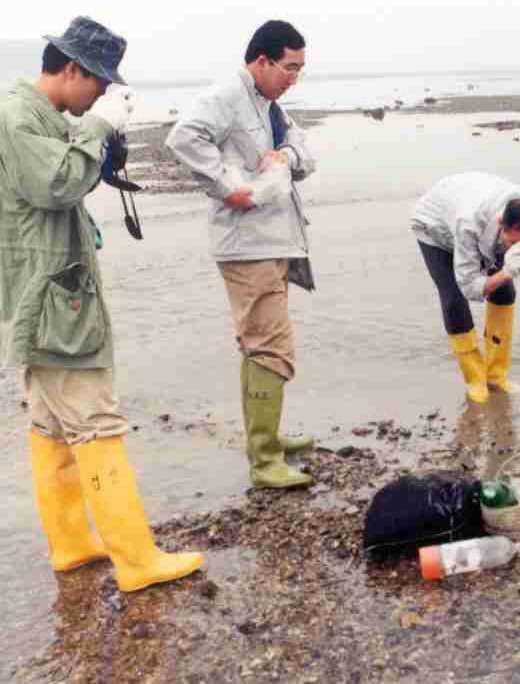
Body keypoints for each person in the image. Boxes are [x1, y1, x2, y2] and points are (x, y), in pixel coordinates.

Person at [0, 16, 203, 591]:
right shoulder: (17, 117)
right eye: (100, 85)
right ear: (71, 70)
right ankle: (136, 559)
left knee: (52, 425)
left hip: (36, 292)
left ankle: (70, 543)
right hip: (51, 297)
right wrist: (96, 128)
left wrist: (89, 131)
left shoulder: (30, 114)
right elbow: (57, 185)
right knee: (96, 422)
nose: (103, 95)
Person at [166, 20, 317, 489]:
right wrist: (228, 187)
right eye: (289, 68)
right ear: (261, 61)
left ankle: (266, 440)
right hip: (247, 245)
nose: (294, 77)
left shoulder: (271, 106)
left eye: (300, 69)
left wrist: (286, 158)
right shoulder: (227, 95)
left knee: (264, 342)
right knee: (270, 346)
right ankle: (265, 459)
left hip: (274, 241)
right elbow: (183, 137)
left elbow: (306, 155)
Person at [412, 172, 520, 403]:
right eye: (515, 243)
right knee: (454, 300)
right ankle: (475, 380)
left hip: (473, 200)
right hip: (436, 228)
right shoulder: (469, 223)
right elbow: (469, 287)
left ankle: (496, 376)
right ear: (501, 224)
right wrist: (507, 271)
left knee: (505, 291)